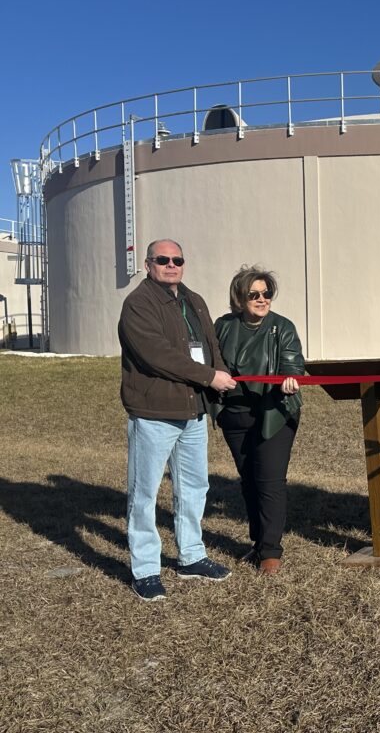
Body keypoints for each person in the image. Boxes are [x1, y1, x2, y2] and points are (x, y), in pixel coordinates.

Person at [117, 239, 237, 601]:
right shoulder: (138, 304)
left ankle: (191, 556)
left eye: (177, 259)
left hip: (193, 411)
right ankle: (146, 570)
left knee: (194, 488)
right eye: (163, 259)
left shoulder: (193, 299)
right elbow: (158, 356)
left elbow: (211, 346)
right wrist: (209, 377)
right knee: (144, 493)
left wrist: (220, 374)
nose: (171, 265)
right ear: (148, 264)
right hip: (154, 412)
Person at [211, 266, 304, 576]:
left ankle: (271, 552)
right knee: (249, 480)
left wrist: (290, 379)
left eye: (267, 293)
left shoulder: (282, 327)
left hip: (273, 413)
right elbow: (213, 362)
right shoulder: (223, 326)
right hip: (235, 414)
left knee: (269, 481)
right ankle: (258, 541)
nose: (262, 299)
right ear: (240, 298)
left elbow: (293, 363)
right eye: (254, 294)